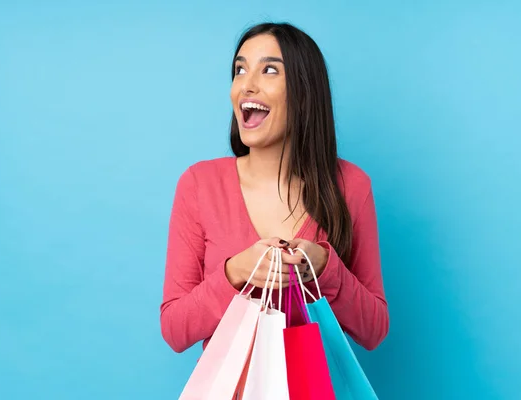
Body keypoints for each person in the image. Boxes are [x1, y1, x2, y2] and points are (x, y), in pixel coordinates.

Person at [160, 22, 389, 354]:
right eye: (240, 70)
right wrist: (236, 271)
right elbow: (174, 330)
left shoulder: (352, 186)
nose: (247, 85)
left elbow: (374, 330)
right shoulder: (199, 184)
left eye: (269, 70)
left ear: (304, 90)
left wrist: (325, 268)